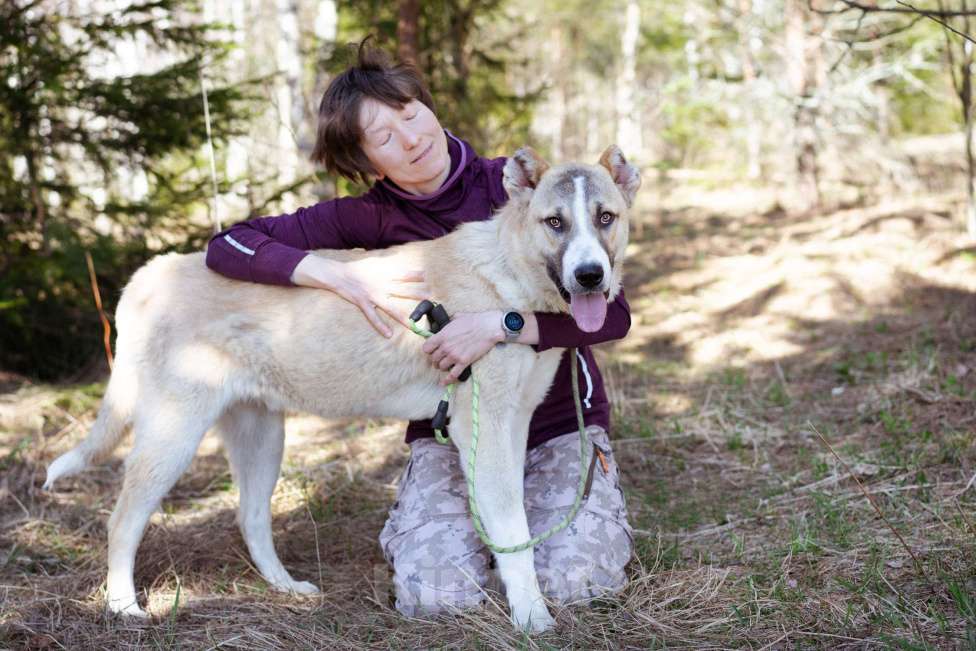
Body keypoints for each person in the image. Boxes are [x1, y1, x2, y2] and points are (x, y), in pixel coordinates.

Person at [205, 43, 633, 617]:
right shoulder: (366, 217)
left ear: (428, 106)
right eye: (383, 137)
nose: (410, 139)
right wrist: (333, 274)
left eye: (410, 114)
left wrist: (502, 325)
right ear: (366, 161)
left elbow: (614, 315)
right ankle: (470, 534)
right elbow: (228, 245)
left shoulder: (515, 188)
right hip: (447, 433)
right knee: (436, 597)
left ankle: (537, 528)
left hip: (559, 426)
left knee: (577, 585)